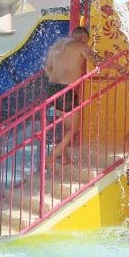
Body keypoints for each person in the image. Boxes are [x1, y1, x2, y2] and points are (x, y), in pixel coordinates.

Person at [40, 26, 94, 164]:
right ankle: (51, 158)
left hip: (52, 88)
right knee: (72, 129)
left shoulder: (58, 45)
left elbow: (47, 67)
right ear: (82, 37)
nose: (86, 43)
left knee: (64, 125)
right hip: (66, 90)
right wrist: (119, 67)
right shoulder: (80, 45)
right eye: (86, 41)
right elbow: (97, 60)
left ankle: (64, 158)